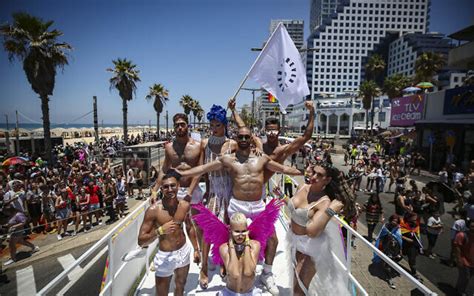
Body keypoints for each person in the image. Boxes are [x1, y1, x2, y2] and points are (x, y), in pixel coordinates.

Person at [175, 126, 302, 295]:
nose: (243, 140)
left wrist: (302, 172)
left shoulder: (261, 158)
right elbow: (204, 169)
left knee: (273, 240)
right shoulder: (228, 159)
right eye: (240, 137)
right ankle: (232, 274)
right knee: (234, 241)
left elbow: (283, 169)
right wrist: (184, 172)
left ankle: (266, 273)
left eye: (246, 137)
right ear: (236, 138)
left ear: (251, 138)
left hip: (258, 205)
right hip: (237, 205)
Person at [257, 100, 315, 295]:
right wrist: (232, 110)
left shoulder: (283, 150)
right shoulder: (257, 144)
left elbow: (306, 136)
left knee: (272, 238)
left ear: (279, 130)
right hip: (244, 194)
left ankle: (267, 272)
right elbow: (238, 131)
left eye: (275, 130)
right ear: (264, 130)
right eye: (269, 130)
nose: (271, 133)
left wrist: (312, 112)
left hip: (262, 196)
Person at [286, 163, 352, 295]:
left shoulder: (324, 202)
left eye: (319, 175)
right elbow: (295, 209)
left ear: (327, 180)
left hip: (310, 247)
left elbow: (312, 232)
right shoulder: (302, 186)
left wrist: (330, 211)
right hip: (294, 240)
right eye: (314, 172)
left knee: (299, 290)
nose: (314, 177)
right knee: (294, 279)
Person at [152, 113, 203, 264]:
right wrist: (155, 188)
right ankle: (186, 251)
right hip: (175, 190)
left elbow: (199, 170)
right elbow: (164, 169)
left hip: (193, 190)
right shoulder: (169, 148)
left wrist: (190, 192)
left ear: (188, 125)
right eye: (177, 125)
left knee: (198, 222)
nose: (180, 127)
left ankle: (200, 251)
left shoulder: (198, 145)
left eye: (182, 124)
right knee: (180, 223)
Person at [198, 104, 237, 288]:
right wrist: (205, 189)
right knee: (208, 229)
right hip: (213, 190)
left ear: (224, 125)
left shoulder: (232, 144)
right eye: (211, 125)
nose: (213, 129)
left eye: (217, 125)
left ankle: (223, 262)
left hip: (229, 191)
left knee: (227, 228)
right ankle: (204, 266)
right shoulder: (205, 144)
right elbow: (202, 169)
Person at [138, 173, 191, 296]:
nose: (170, 189)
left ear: (178, 186)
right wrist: (160, 231)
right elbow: (141, 240)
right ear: (161, 189)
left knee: (181, 286)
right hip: (165, 257)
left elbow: (189, 227)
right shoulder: (153, 210)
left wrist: (197, 249)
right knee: (162, 293)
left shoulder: (184, 206)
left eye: (173, 185)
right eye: (166, 187)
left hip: (184, 251)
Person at [218, 212, 261, 296]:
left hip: (250, 292)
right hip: (230, 293)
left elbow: (248, 272)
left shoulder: (255, 245)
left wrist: (247, 244)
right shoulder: (224, 249)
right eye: (237, 231)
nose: (240, 236)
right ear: (230, 230)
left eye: (243, 231)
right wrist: (231, 245)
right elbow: (235, 274)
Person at [373, 214, 403, 289]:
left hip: (395, 248)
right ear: (390, 220)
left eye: (396, 221)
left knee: (397, 259)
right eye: (393, 220)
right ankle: (390, 279)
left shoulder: (398, 228)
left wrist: (400, 248)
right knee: (387, 264)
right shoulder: (386, 226)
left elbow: (399, 239)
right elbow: (382, 235)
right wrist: (389, 235)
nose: (394, 222)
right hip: (386, 246)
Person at [400, 211, 423, 280]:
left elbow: (418, 236)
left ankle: (414, 273)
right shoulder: (402, 224)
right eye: (413, 219)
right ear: (408, 218)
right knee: (399, 256)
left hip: (412, 246)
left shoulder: (416, 225)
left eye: (416, 219)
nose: (415, 221)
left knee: (412, 260)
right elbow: (397, 233)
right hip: (403, 244)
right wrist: (406, 239)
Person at [453, 222, 474, 295]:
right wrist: (459, 259)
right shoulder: (462, 235)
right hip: (464, 260)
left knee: (464, 277)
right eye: (472, 226)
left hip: (472, 262)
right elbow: (457, 247)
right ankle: (461, 292)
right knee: (466, 278)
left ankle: (457, 288)